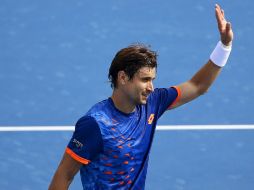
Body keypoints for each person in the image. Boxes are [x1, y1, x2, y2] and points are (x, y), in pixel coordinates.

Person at [49, 4, 233, 190]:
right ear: (122, 77)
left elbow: (198, 86)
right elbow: (64, 175)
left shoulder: (152, 104)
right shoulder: (95, 124)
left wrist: (224, 46)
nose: (151, 87)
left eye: (152, 79)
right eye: (145, 79)